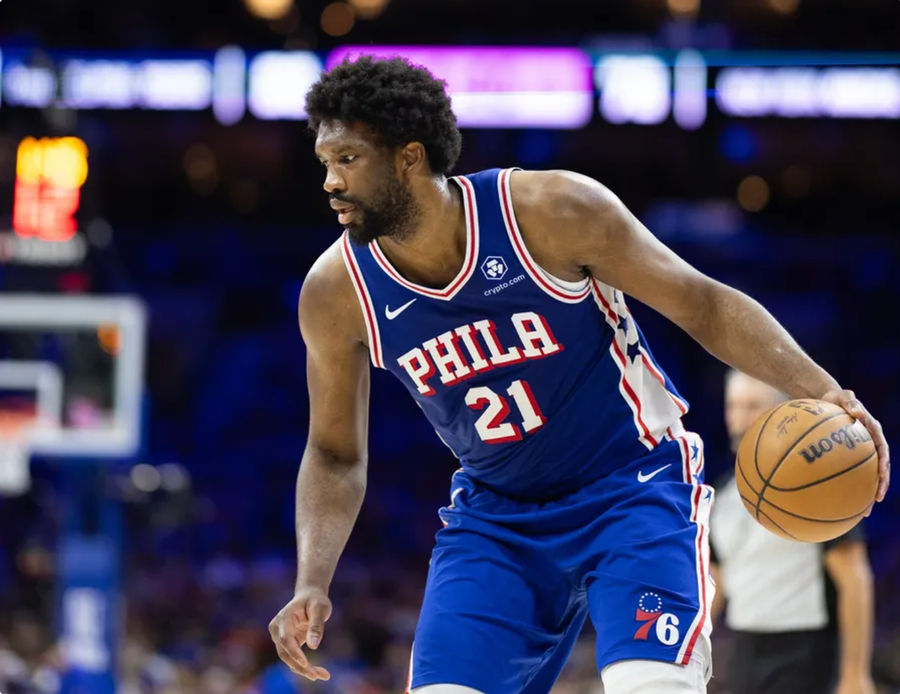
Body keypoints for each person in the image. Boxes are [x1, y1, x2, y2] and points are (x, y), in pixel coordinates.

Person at [268, 56, 890, 694]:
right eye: (324, 163)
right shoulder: (336, 291)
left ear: (409, 157)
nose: (330, 182)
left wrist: (824, 390)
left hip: (632, 487)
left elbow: (701, 303)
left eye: (347, 160)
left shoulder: (549, 210)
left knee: (651, 686)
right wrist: (311, 580)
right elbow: (334, 452)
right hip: (497, 516)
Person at [710, 371, 876, 694]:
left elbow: (855, 579)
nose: (739, 417)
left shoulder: (821, 488)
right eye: (733, 406)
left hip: (807, 649)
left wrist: (856, 674)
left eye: (751, 406)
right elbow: (715, 582)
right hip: (745, 646)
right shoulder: (722, 494)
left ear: (777, 414)